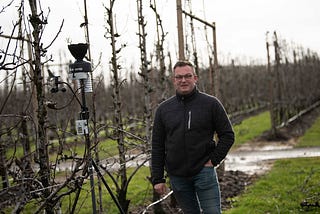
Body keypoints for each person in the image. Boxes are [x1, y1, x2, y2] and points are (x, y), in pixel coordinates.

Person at [151, 60, 235, 214]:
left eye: (188, 76)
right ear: (174, 80)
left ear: (195, 78)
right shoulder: (163, 110)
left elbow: (228, 135)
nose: (183, 80)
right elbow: (157, 145)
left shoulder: (211, 104)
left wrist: (213, 161)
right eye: (179, 77)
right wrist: (158, 178)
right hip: (177, 177)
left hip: (204, 172)